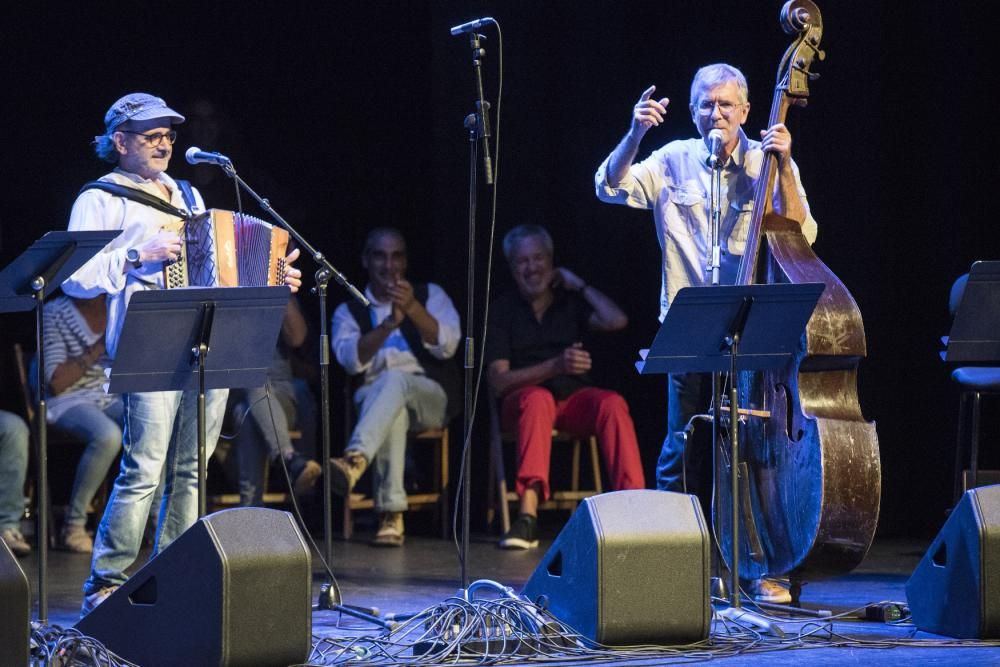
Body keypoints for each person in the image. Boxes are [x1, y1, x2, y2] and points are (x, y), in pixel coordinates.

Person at [62, 92, 302, 616]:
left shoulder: (189, 195)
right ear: (119, 141)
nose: (164, 143)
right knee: (144, 467)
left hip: (207, 339)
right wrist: (134, 256)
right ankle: (106, 581)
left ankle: (172, 573)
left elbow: (222, 260)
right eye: (151, 135)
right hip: (149, 341)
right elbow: (75, 279)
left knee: (193, 468)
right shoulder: (99, 199)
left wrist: (275, 273)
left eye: (168, 134)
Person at [594, 63, 817, 603]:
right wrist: (636, 132)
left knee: (750, 448)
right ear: (692, 110)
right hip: (690, 322)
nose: (714, 114)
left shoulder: (766, 162)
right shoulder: (671, 160)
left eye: (724, 104)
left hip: (748, 322)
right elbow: (608, 186)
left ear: (745, 110)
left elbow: (803, 232)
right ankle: (676, 563)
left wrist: (783, 167)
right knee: (681, 445)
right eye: (704, 104)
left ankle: (755, 567)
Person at [486, 224, 646, 550]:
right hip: (522, 406)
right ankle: (527, 517)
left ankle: (634, 508)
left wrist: (580, 285)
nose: (532, 268)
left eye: (538, 258)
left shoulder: (567, 302)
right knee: (537, 399)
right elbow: (498, 380)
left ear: (551, 261)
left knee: (611, 403)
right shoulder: (503, 310)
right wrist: (555, 366)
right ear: (512, 267)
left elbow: (617, 320)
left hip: (572, 403)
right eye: (522, 261)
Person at [329, 228, 460, 547]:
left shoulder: (431, 295)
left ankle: (355, 459)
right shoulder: (349, 310)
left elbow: (449, 345)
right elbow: (350, 361)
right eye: (380, 256)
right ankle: (392, 515)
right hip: (373, 398)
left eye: (397, 256)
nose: (389, 265)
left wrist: (413, 309)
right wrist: (388, 325)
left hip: (429, 395)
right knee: (392, 408)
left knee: (395, 381)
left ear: (406, 260)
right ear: (366, 260)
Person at [38, 293, 122, 553]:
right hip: (68, 399)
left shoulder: (117, 302)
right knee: (107, 436)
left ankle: (150, 522)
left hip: (110, 395)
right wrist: (96, 349)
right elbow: (56, 382)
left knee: (151, 426)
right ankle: (73, 525)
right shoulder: (55, 311)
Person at [228, 295, 320, 506]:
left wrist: (279, 288)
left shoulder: (274, 284)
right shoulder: (222, 282)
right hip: (231, 393)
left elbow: (297, 338)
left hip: (280, 395)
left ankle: (250, 510)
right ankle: (288, 458)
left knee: (248, 411)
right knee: (250, 380)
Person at [0, 410, 30, 558]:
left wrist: (107, 387)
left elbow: (106, 387)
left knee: (13, 428)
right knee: (107, 436)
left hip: (98, 399)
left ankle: (7, 527)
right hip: (69, 400)